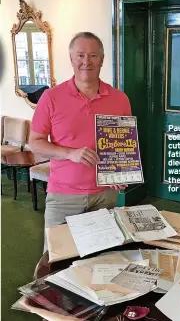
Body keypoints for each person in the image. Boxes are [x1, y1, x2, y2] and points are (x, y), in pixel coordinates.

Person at [29, 32, 131, 246]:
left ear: (102, 60)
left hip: (105, 195)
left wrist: (121, 172)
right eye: (81, 55)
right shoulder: (51, 97)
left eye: (93, 56)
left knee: (100, 257)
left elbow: (122, 146)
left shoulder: (120, 99)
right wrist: (69, 153)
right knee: (56, 259)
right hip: (63, 195)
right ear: (72, 59)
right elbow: (35, 143)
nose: (87, 61)